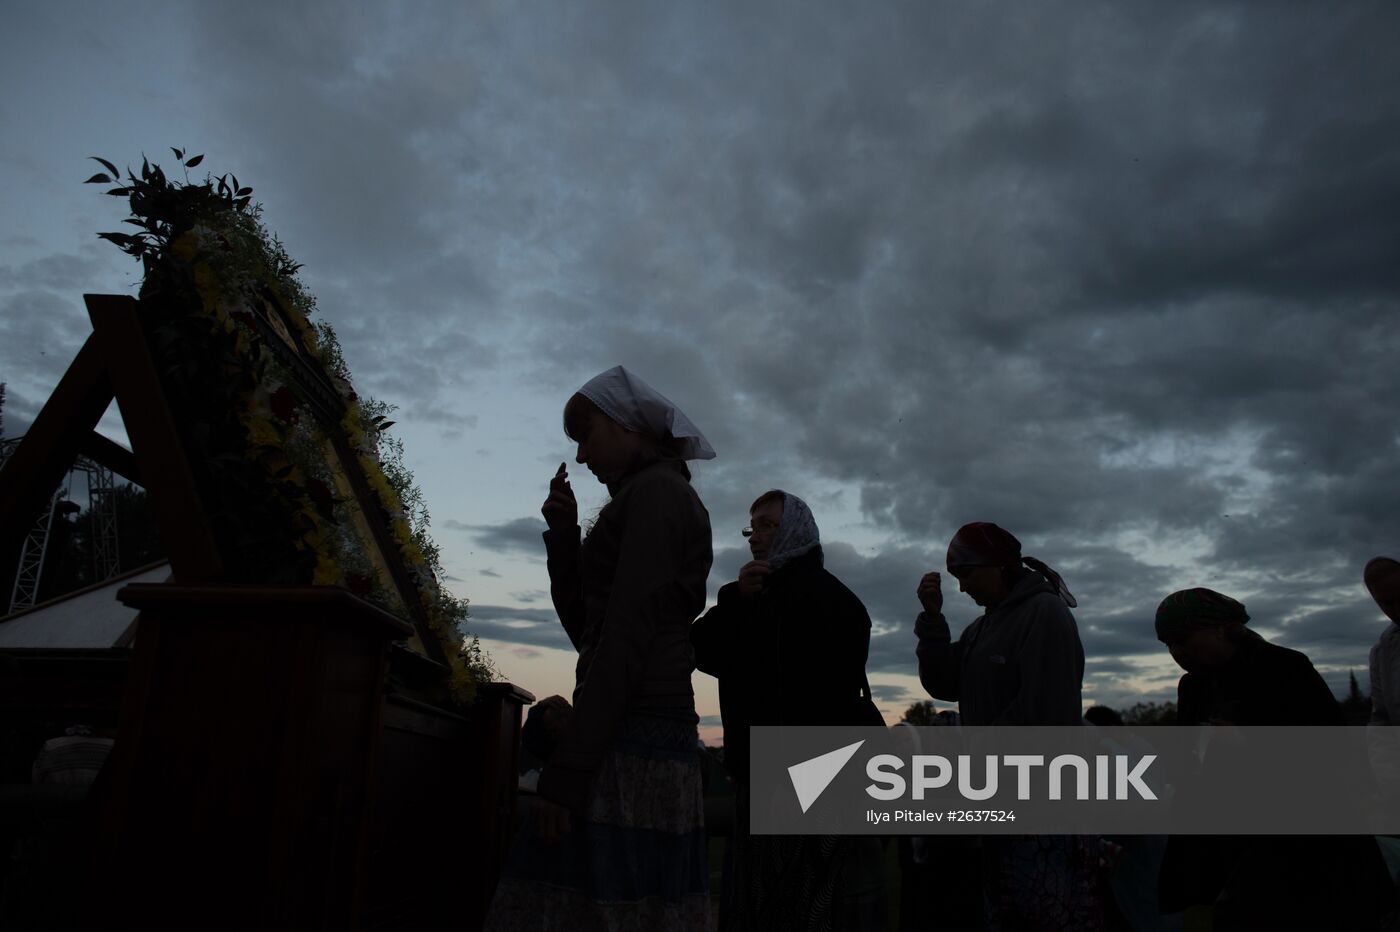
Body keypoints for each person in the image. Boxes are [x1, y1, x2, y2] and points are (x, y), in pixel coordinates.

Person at [485, 366, 714, 932]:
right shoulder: (640, 497)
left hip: (636, 734)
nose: (582, 457)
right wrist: (564, 541)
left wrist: (568, 772)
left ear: (627, 425)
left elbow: (628, 634)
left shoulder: (659, 494)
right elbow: (590, 630)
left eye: (587, 435)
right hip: (625, 726)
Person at [691, 489, 885, 931]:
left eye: (768, 525)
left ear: (796, 528)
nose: (755, 536)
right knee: (799, 905)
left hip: (797, 781)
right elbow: (701, 651)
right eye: (752, 526)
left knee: (784, 906)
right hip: (789, 780)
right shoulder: (751, 595)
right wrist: (737, 600)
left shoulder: (830, 603)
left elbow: (821, 697)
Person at [1153, 586, 1395, 929]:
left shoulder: (1285, 668)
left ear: (1221, 627)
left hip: (1312, 852)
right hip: (1235, 850)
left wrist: (1251, 744)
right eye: (1168, 644)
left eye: (1184, 638)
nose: (1177, 651)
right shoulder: (1193, 688)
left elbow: (1337, 755)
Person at [914, 521, 1104, 931]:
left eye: (967, 573)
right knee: (1005, 914)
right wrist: (932, 622)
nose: (962, 588)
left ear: (999, 565)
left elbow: (1043, 712)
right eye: (955, 578)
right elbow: (944, 684)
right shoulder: (981, 627)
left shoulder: (1045, 613)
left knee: (1044, 913)